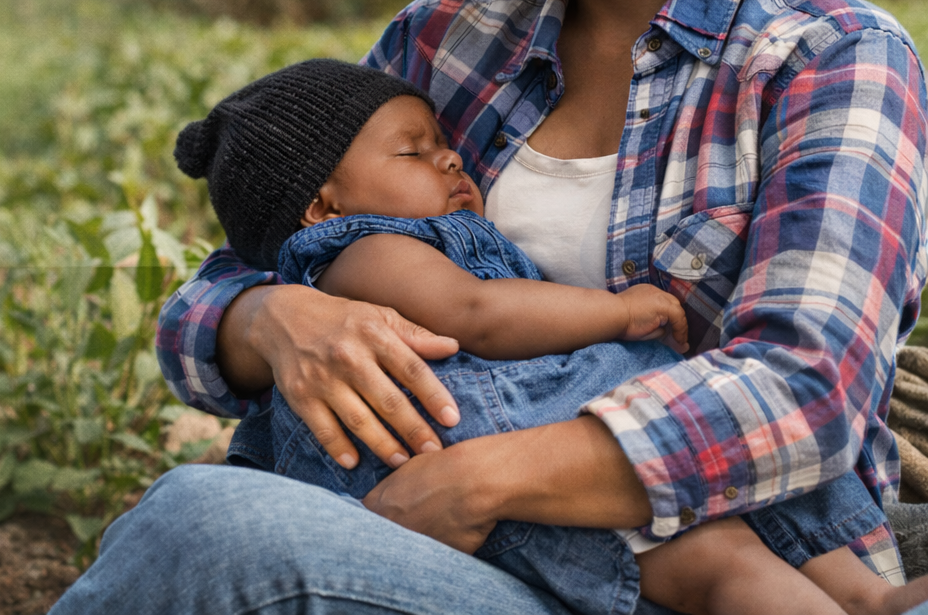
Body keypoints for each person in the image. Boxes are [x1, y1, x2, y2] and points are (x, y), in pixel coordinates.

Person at [50, 0, 928, 615]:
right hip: (454, 559)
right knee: (201, 516)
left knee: (202, 529)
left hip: (703, 578)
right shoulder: (445, 37)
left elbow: (804, 390)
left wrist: (481, 480)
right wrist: (273, 318)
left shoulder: (828, 58)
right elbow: (225, 287)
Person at [165, 56, 921, 615]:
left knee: (765, 531)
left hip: (596, 445)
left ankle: (871, 598)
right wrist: (617, 312)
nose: (449, 155)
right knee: (721, 566)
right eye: (413, 151)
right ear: (322, 208)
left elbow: (807, 381)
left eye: (441, 140)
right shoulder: (364, 250)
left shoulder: (826, 56)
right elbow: (478, 314)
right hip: (503, 448)